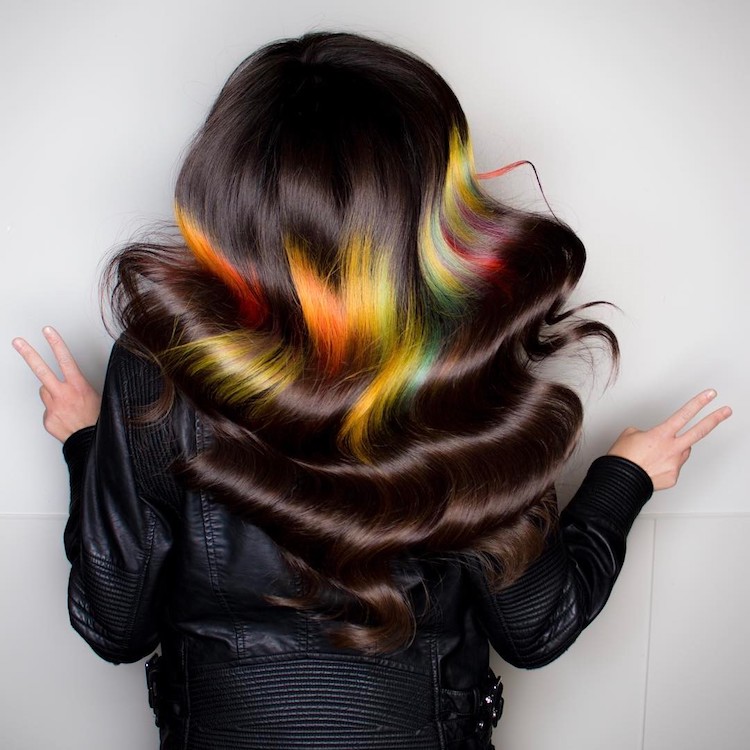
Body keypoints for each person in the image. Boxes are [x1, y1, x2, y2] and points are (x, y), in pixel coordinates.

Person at [12, 31, 731, 750]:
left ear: (227, 189)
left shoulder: (155, 366)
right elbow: (536, 627)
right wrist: (626, 477)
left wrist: (89, 445)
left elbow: (115, 625)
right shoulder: (470, 364)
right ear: (427, 195)